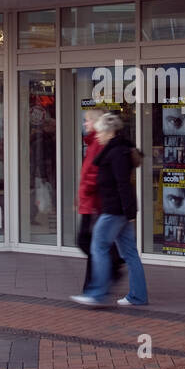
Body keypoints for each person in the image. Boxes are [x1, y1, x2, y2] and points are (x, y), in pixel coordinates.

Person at [72, 112, 149, 308]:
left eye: (100, 132)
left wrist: (129, 212)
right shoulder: (117, 150)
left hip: (114, 210)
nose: (97, 135)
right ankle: (138, 296)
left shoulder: (116, 153)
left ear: (109, 131)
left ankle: (97, 293)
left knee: (98, 247)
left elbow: (122, 184)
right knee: (130, 252)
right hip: (119, 210)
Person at [76, 108, 123, 290]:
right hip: (89, 202)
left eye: (87, 121)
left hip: (94, 203)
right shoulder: (92, 143)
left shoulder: (97, 143)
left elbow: (94, 173)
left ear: (95, 123)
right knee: (93, 244)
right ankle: (92, 285)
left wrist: (86, 191)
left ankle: (110, 266)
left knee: (88, 243)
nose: (84, 124)